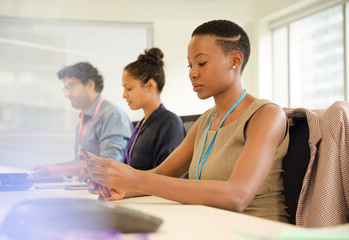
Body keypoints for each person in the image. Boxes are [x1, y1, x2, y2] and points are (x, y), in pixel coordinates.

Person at [85, 20, 290, 222]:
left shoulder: (266, 115)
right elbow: (163, 173)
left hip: (255, 230)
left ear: (235, 60)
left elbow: (236, 196)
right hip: (210, 226)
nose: (192, 73)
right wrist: (118, 186)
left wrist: (135, 179)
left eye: (201, 63)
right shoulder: (206, 121)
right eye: (190, 65)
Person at [32, 62, 133, 179]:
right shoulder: (83, 119)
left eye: (71, 87)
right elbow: (81, 163)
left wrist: (61, 170)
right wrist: (52, 168)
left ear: (90, 84)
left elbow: (108, 165)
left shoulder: (112, 115)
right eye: (65, 88)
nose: (66, 94)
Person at [122, 47, 186, 170]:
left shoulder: (170, 123)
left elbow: (169, 180)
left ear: (150, 85)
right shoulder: (141, 125)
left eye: (129, 88)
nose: (124, 95)